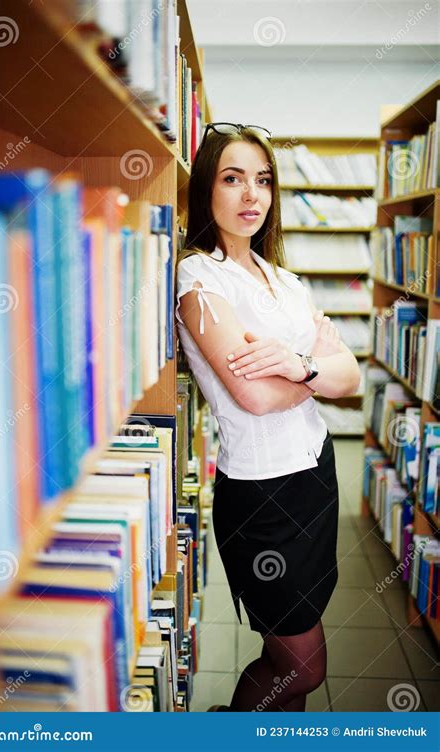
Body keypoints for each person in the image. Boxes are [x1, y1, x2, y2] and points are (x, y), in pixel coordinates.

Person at [175, 123, 361, 712]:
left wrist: (297, 367)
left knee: (291, 654)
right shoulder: (198, 279)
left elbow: (352, 378)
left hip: (315, 478)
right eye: (232, 179)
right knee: (302, 667)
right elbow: (253, 398)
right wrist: (316, 369)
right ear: (207, 187)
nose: (251, 194)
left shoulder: (285, 280)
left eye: (263, 180)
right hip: (262, 496)